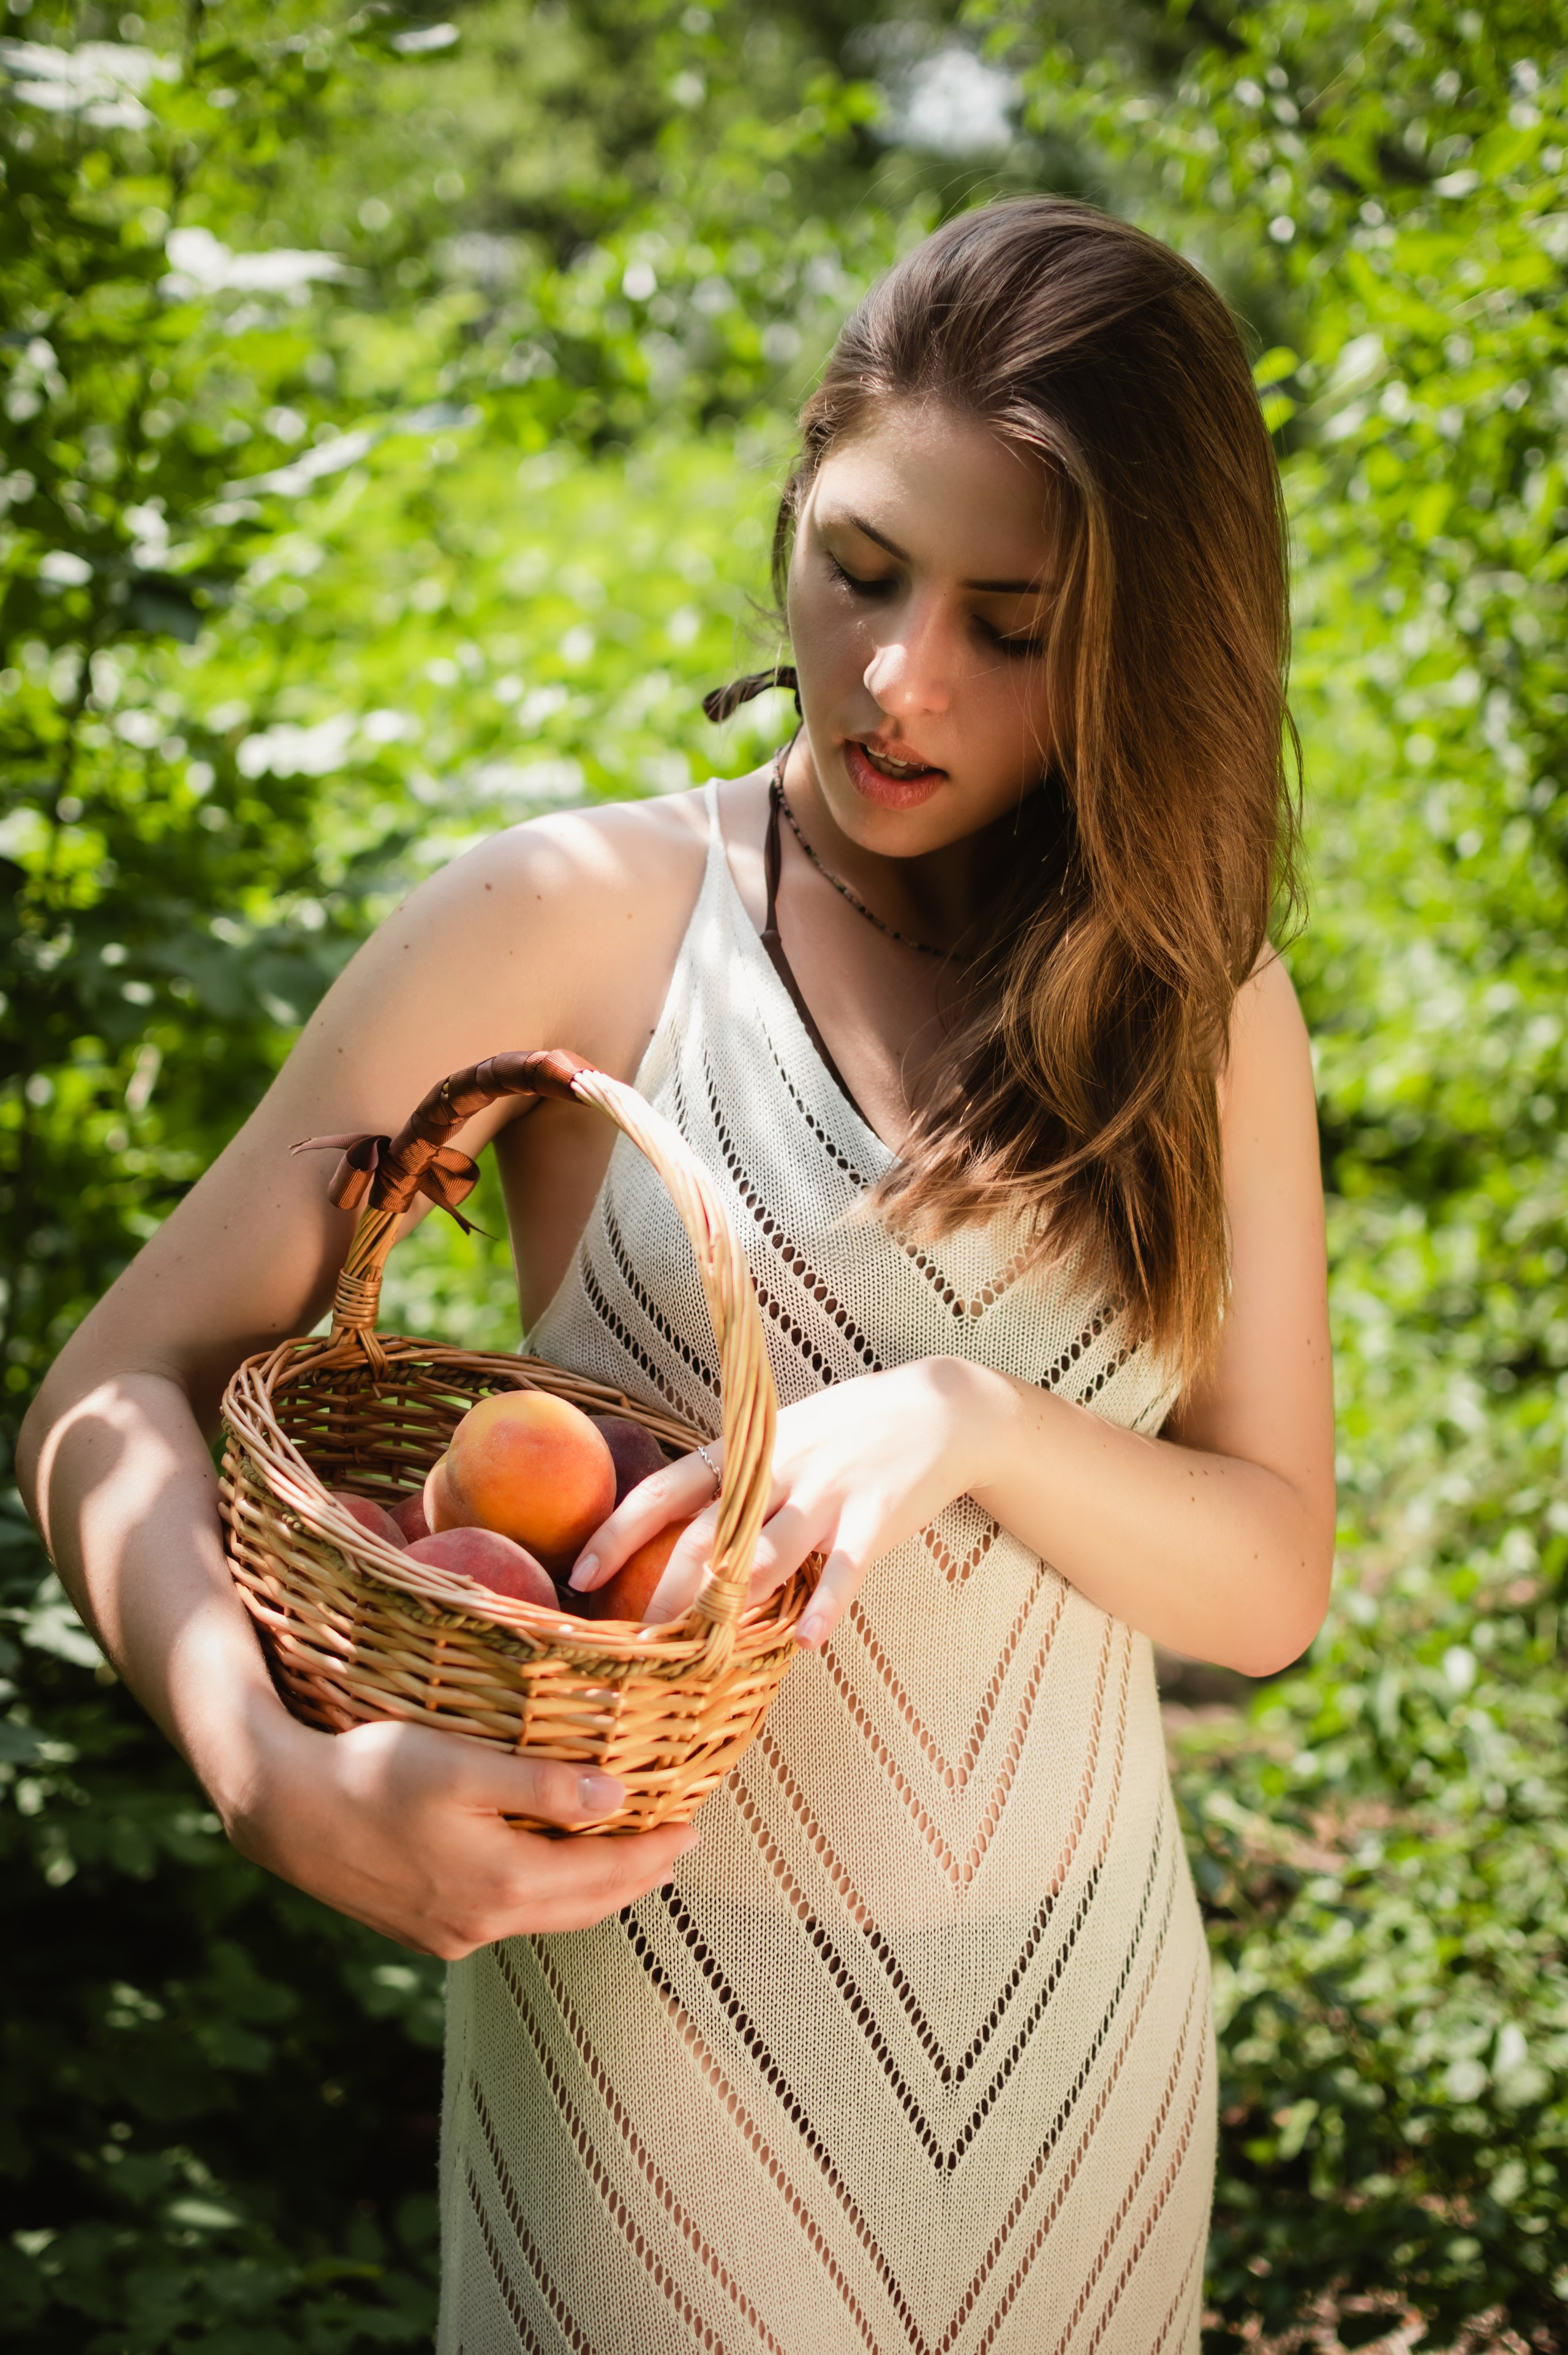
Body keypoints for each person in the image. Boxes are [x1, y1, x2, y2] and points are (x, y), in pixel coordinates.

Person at [20, 197, 1333, 2351]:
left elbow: (1268, 1575)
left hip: (1092, 2061)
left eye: (1015, 625)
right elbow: (106, 1393)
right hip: (653, 2078)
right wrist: (263, 1772)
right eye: (863, 568)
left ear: (1146, 647)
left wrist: (969, 1423)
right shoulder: (573, 918)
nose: (901, 679)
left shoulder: (1203, 1004)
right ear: (799, 505)